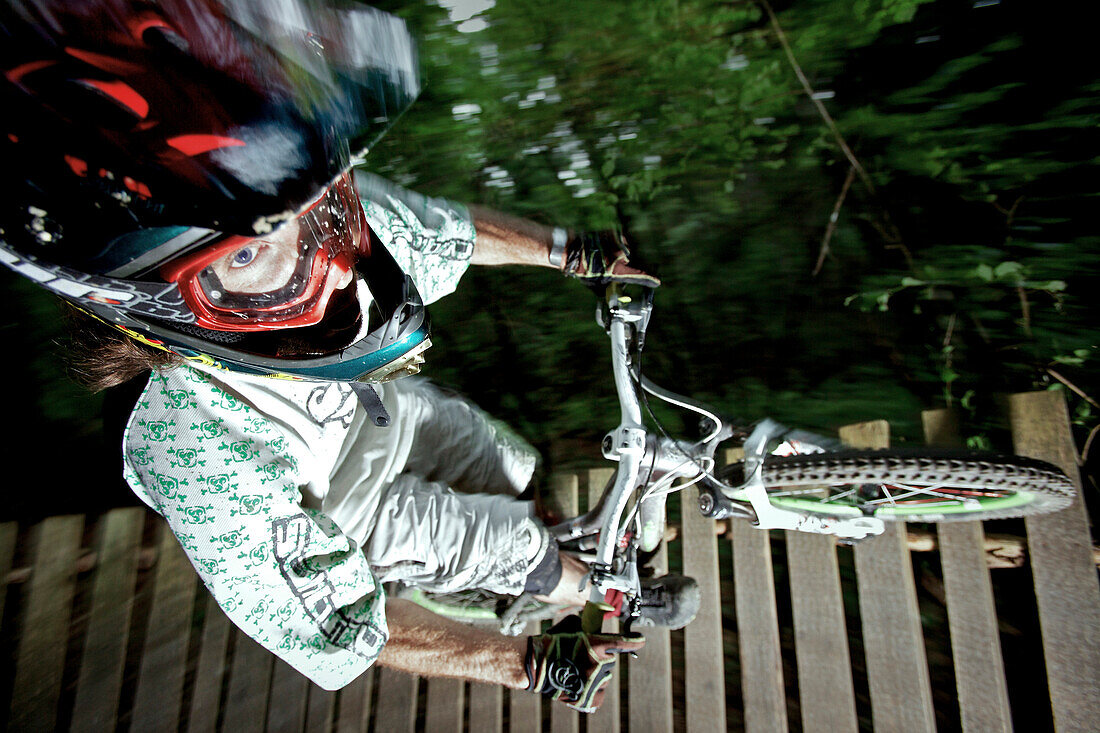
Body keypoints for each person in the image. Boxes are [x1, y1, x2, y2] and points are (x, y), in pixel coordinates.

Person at [0, 0, 692, 713]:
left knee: (498, 458)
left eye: (320, 214)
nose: (333, 267)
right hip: (331, 499)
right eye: (248, 254)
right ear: (159, 301)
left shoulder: (280, 198)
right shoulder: (194, 456)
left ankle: (552, 553)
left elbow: (439, 230)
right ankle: (586, 583)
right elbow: (335, 622)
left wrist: (570, 252)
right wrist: (531, 665)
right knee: (482, 536)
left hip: (377, 412)